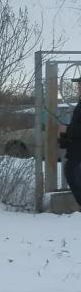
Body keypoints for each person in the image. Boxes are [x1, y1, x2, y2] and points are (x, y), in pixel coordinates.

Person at [60, 77, 81, 206]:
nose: (78, 88)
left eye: (80, 85)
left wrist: (68, 129)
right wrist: (65, 135)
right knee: (71, 170)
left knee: (71, 170)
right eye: (78, 85)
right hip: (76, 148)